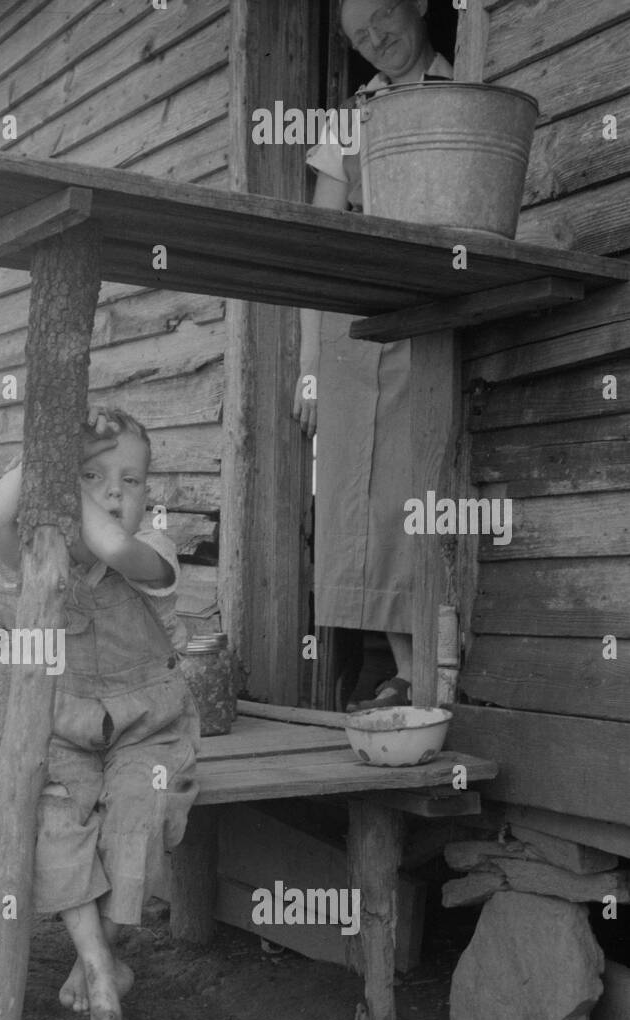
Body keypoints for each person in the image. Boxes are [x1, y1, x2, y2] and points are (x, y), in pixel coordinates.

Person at [0, 408, 200, 1020]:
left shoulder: (153, 552)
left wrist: (66, 476)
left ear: (147, 495)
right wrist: (47, 454)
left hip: (148, 731)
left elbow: (108, 544)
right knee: (53, 820)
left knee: (139, 812)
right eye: (94, 476)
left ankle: (93, 958)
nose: (112, 493)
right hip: (65, 730)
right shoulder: (40, 557)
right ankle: (103, 966)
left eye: (130, 481)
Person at [293, 0, 453, 709]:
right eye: (358, 37)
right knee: (363, 504)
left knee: (420, 491)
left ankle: (434, 672)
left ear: (417, 5)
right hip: (357, 328)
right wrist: (307, 369)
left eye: (383, 19)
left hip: (436, 311)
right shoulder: (348, 119)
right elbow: (319, 250)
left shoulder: (464, 83)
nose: (376, 40)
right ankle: (405, 672)